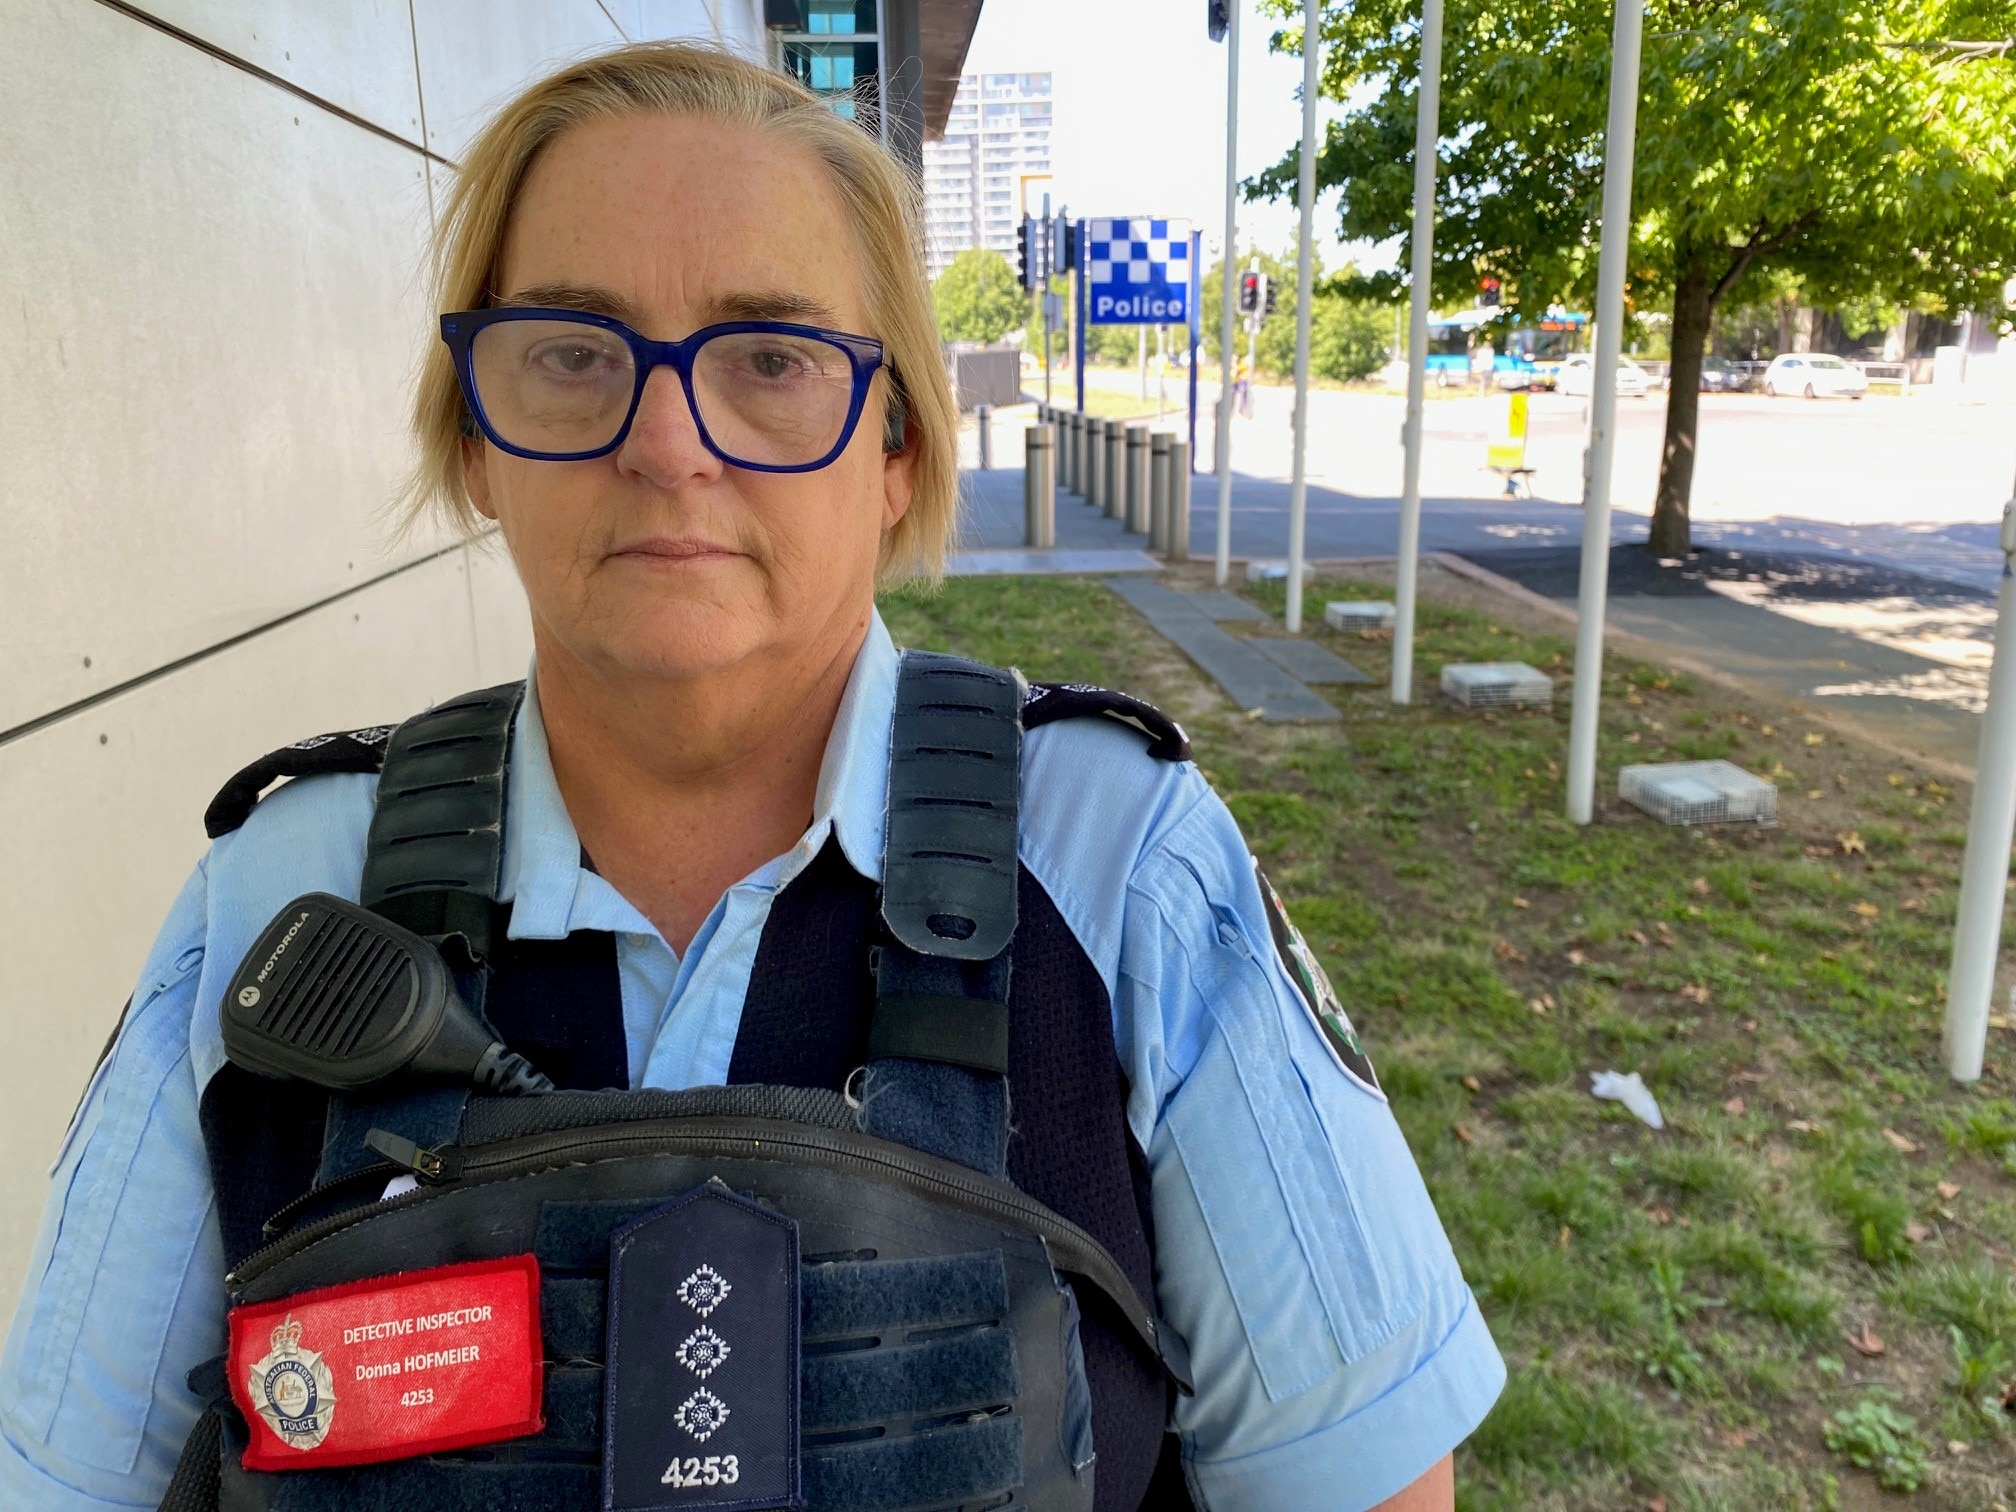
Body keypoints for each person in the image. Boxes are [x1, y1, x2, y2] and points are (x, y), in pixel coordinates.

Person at [0, 43, 1501, 1511]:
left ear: (900, 446)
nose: (667, 441)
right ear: (477, 439)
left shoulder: (1125, 870)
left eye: (771, 358)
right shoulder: (281, 896)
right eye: (576, 354)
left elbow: (1365, 1482)